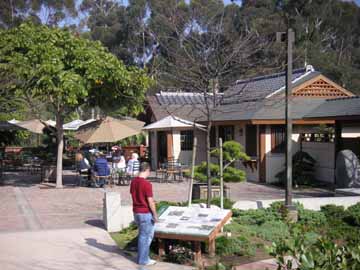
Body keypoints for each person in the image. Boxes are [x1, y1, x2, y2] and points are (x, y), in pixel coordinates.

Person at [130, 162, 158, 266]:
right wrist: (155, 214)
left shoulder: (133, 182)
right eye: (149, 172)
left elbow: (133, 195)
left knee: (146, 235)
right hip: (145, 213)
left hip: (136, 212)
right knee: (145, 237)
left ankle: (144, 256)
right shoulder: (147, 184)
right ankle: (143, 260)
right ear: (147, 170)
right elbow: (150, 201)